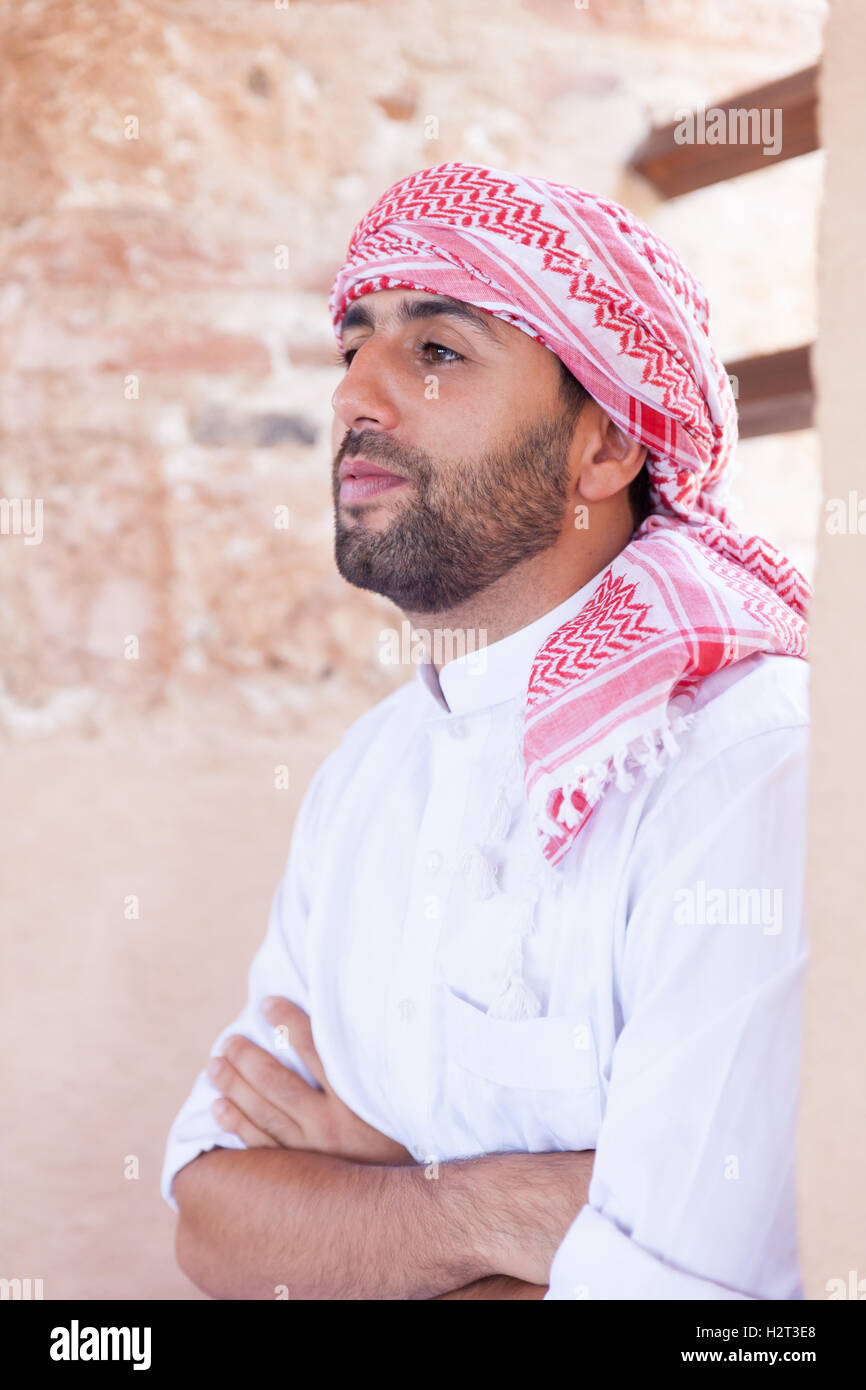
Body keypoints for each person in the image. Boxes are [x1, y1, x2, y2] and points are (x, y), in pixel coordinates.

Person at [161, 162, 810, 1300]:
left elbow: (700, 1316)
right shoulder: (368, 772)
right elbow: (212, 1218)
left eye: (436, 350)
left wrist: (361, 1198)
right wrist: (487, 1206)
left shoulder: (749, 770)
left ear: (602, 451)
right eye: (352, 343)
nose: (354, 393)